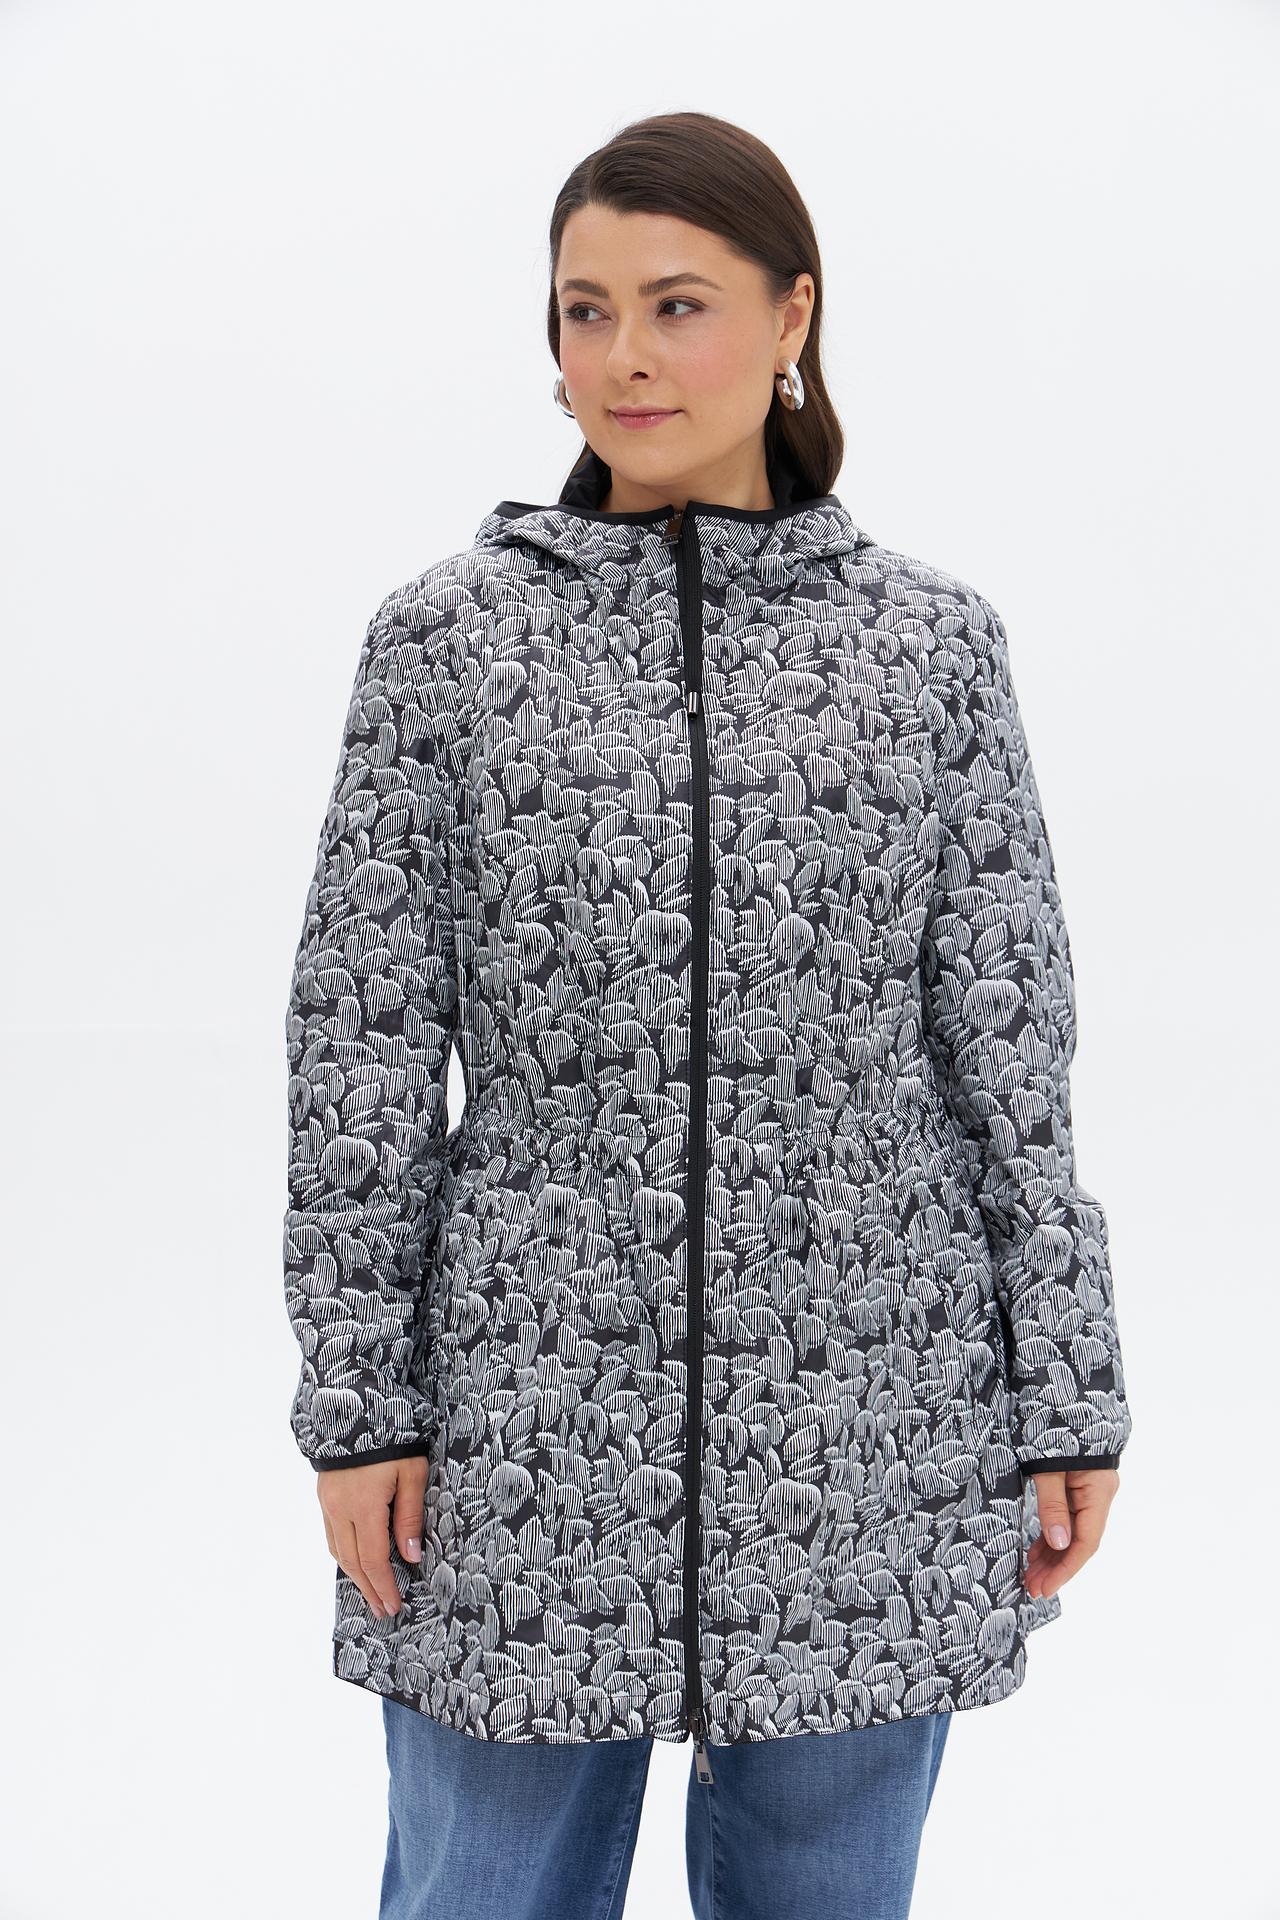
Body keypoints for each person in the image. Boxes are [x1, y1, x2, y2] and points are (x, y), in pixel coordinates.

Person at [282, 111, 1134, 1920]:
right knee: (478, 1889)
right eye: (584, 310)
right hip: (521, 1416)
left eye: (677, 304)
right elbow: (361, 1050)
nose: (625, 357)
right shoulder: (446, 644)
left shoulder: (930, 648)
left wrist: (1067, 1387)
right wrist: (359, 1406)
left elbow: (1010, 1050)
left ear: (792, 314)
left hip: (873, 1418)